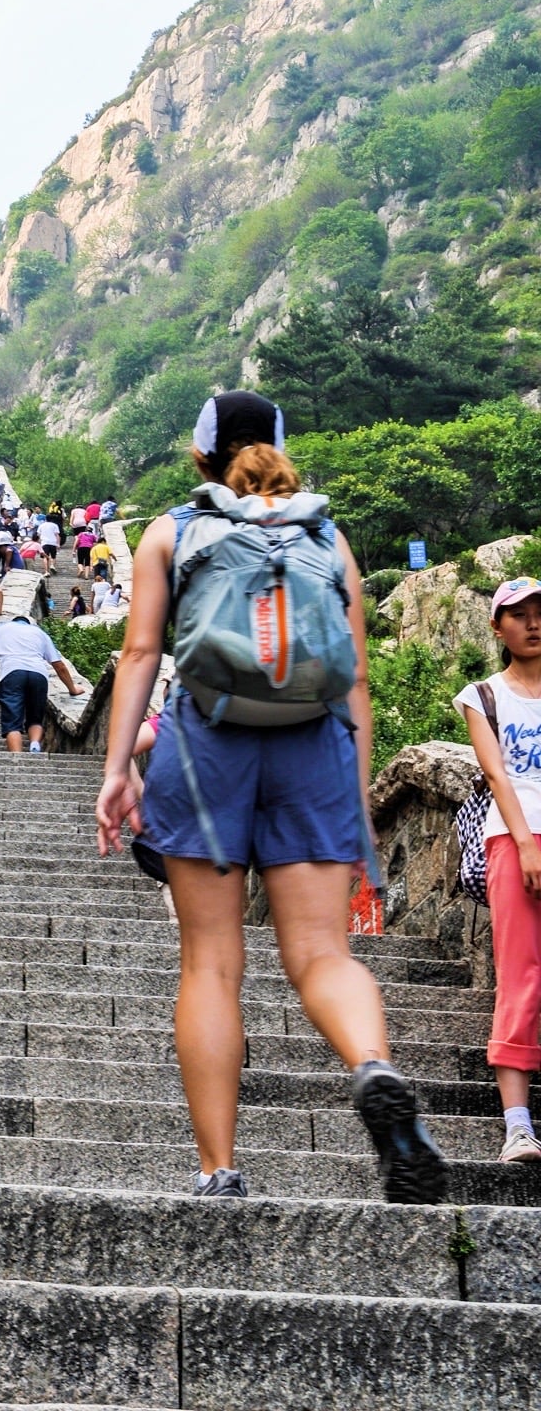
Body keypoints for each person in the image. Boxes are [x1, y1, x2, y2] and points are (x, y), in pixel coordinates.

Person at [95, 389, 446, 1204]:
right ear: (284, 450)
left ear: (200, 456)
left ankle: (220, 1170)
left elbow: (142, 652)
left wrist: (118, 769)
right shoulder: (327, 536)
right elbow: (354, 679)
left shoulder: (171, 533)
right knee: (324, 955)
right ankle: (372, 1066)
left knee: (212, 964)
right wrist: (354, 797)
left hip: (206, 746)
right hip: (314, 749)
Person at [454, 576, 541, 1163]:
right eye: (519, 614)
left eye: (540, 612)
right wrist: (526, 846)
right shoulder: (482, 696)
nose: (533, 623)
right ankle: (517, 1124)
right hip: (514, 838)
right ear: (497, 626)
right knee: (522, 971)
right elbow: (496, 775)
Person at [0, 615, 80, 753]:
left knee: (12, 720)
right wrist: (72, 689)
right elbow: (58, 665)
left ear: (13, 622)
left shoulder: (1, 628)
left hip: (12, 673)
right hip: (38, 675)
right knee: (35, 717)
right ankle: (35, 744)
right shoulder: (41, 634)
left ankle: (17, 756)